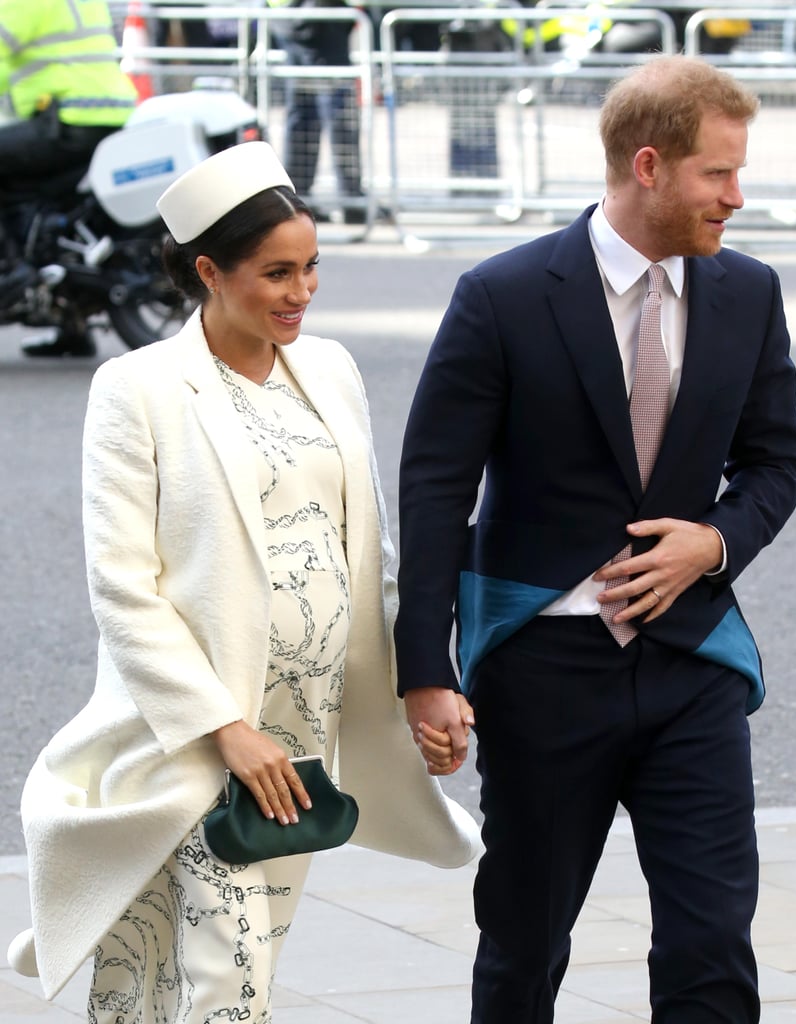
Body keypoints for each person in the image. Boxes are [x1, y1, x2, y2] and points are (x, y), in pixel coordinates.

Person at [6, 140, 479, 1021]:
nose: (300, 293)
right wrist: (226, 730)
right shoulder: (137, 388)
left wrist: (421, 685)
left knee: (148, 974)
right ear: (209, 272)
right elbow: (121, 586)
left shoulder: (330, 371)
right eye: (275, 273)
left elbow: (365, 555)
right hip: (189, 738)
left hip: (302, 739)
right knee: (232, 981)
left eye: (311, 269)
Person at [395, 56, 796, 1023]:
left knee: (712, 945)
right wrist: (426, 668)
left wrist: (711, 542)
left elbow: (775, 463)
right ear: (652, 165)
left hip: (690, 664)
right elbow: (433, 488)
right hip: (542, 670)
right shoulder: (501, 294)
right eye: (721, 175)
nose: (738, 199)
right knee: (525, 946)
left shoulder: (748, 293)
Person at [0, 0, 138, 358]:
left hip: (70, 118)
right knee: (47, 200)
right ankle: (72, 327)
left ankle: (11, 272)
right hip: (108, 113)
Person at [269, 0, 369, 223]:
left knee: (302, 118)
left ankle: (296, 202)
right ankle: (350, 201)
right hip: (323, 20)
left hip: (289, 21)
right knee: (339, 118)